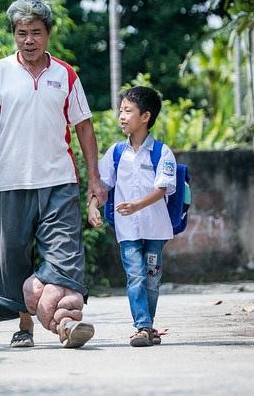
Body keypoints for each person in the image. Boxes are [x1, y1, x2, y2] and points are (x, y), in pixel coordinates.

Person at [0, 0, 106, 349]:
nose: (29, 40)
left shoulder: (65, 74)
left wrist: (94, 179)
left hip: (60, 182)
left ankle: (68, 323)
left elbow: (84, 128)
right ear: (14, 34)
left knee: (64, 255)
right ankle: (26, 326)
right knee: (16, 258)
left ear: (48, 33)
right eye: (22, 33)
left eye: (36, 32)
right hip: (10, 182)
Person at [87, 86, 177, 347]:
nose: (122, 117)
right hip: (127, 230)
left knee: (152, 278)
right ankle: (143, 326)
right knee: (136, 275)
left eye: (128, 111)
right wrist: (93, 205)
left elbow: (162, 189)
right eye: (121, 111)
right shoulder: (116, 153)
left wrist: (138, 205)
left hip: (156, 229)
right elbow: (102, 185)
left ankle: (147, 327)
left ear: (145, 116)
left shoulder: (162, 153)